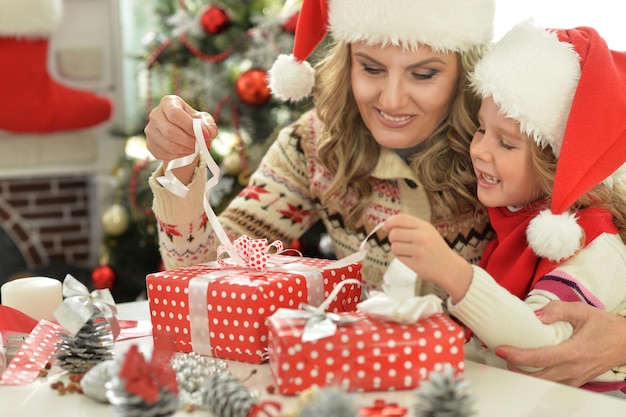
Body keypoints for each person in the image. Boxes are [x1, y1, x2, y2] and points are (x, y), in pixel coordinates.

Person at [146, 0, 496, 298]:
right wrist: (181, 166)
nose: (392, 100)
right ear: (347, 63)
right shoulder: (315, 142)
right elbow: (204, 274)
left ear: (465, 75)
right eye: (371, 68)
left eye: (423, 75)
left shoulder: (506, 145)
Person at [384, 21, 626, 395]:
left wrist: (454, 274)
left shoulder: (591, 244)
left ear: (558, 165)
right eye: (481, 129)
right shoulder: (515, 220)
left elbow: (539, 349)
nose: (479, 150)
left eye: (506, 144)